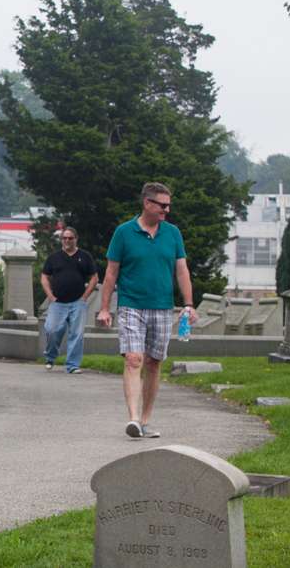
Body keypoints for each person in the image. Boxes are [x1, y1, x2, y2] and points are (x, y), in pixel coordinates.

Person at [96, 182, 198, 439]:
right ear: (147, 203)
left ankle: (145, 419)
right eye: (162, 205)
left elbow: (182, 269)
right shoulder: (124, 232)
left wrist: (188, 304)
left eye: (168, 205)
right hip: (131, 305)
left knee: (154, 363)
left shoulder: (173, 233)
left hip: (162, 307)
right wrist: (105, 308)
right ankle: (133, 418)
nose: (167, 210)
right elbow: (111, 273)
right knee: (133, 358)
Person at [41, 227, 99, 374]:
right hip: (57, 302)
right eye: (64, 238)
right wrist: (50, 296)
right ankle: (50, 357)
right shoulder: (54, 257)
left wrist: (85, 297)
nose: (67, 241)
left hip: (77, 302)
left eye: (70, 238)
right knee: (51, 330)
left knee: (77, 334)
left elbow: (94, 278)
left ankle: (72, 365)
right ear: (61, 240)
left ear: (76, 239)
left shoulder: (85, 256)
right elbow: (44, 277)